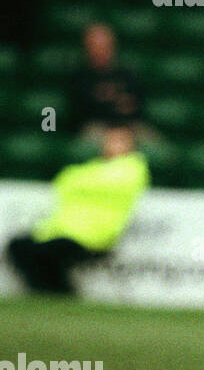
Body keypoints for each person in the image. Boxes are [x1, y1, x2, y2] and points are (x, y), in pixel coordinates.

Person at [6, 126, 149, 296]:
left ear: (132, 145)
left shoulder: (134, 167)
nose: (113, 145)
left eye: (120, 141)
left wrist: (83, 182)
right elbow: (63, 181)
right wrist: (87, 182)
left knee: (48, 253)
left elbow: (80, 181)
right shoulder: (94, 167)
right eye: (110, 140)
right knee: (19, 247)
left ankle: (60, 293)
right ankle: (47, 292)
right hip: (57, 230)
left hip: (94, 236)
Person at [68, 23, 152, 143]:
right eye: (95, 45)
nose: (100, 50)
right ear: (86, 47)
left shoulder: (127, 75)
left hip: (129, 127)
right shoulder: (79, 77)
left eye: (104, 45)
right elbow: (79, 115)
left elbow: (137, 107)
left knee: (153, 145)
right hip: (94, 129)